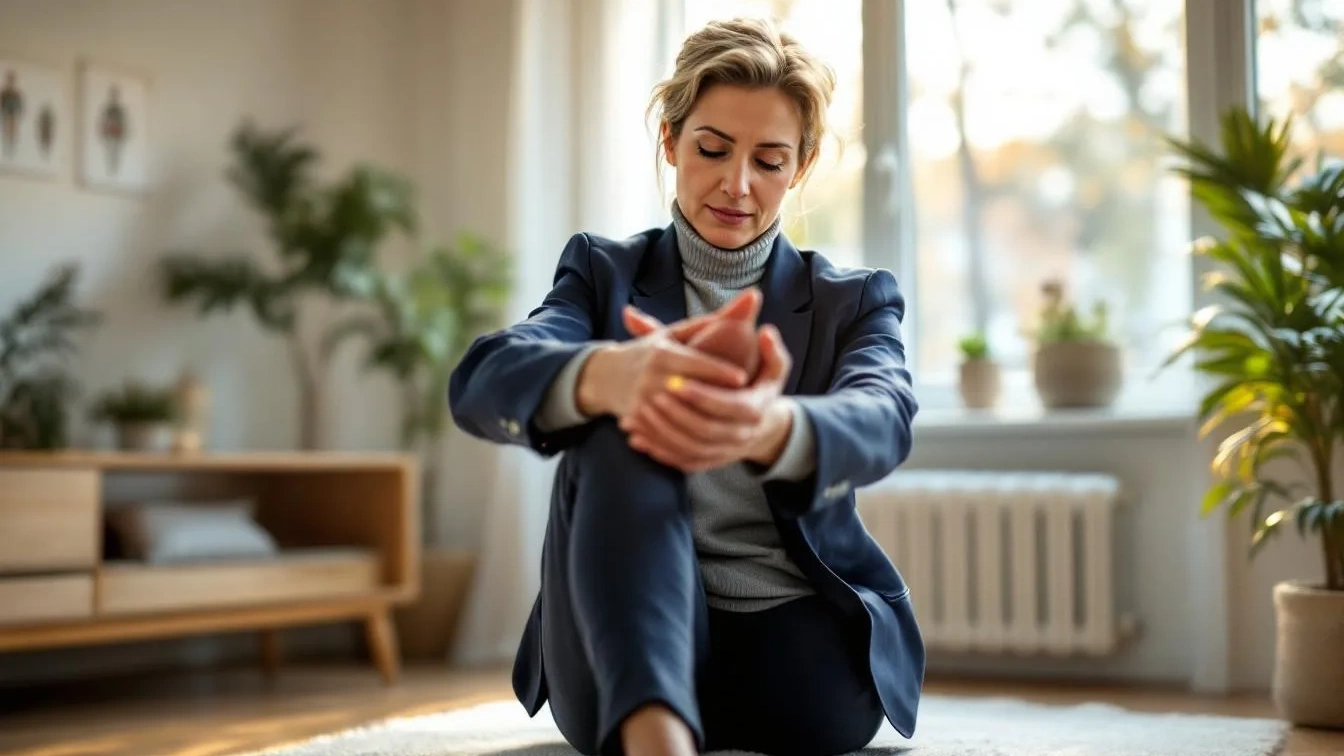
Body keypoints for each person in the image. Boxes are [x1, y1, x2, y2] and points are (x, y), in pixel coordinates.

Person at [449, 16, 923, 756]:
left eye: (770, 161)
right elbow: (481, 381)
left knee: (634, 398)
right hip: (618, 648)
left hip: (793, 652)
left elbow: (885, 414)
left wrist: (770, 428)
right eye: (711, 149)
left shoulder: (852, 299)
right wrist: (611, 371)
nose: (737, 184)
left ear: (799, 168)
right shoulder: (601, 272)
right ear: (670, 142)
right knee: (618, 409)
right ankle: (657, 733)